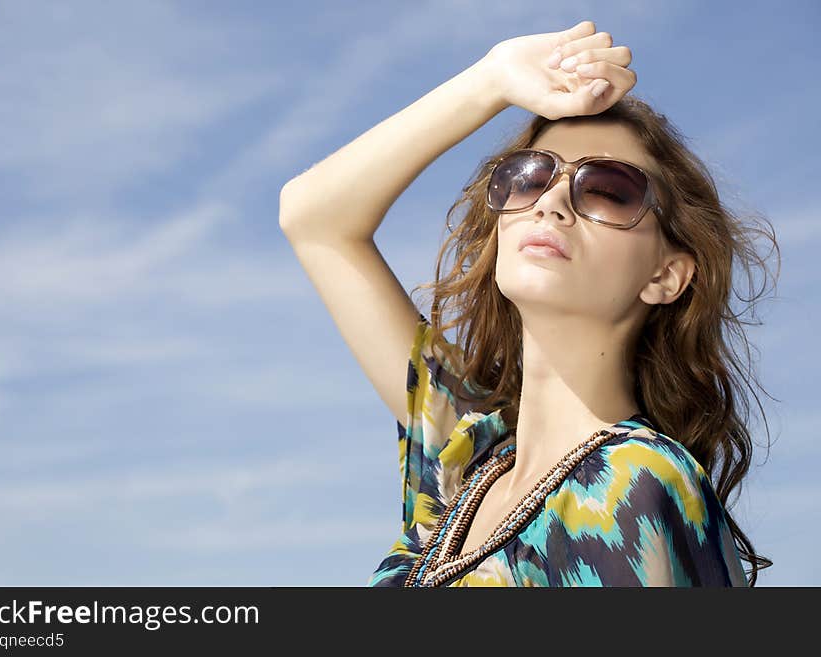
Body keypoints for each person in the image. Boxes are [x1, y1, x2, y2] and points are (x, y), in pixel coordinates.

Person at [279, 20, 777, 586]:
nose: (552, 202)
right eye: (528, 177)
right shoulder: (462, 465)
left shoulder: (633, 482)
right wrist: (490, 79)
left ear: (666, 274)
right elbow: (313, 217)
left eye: (608, 190)